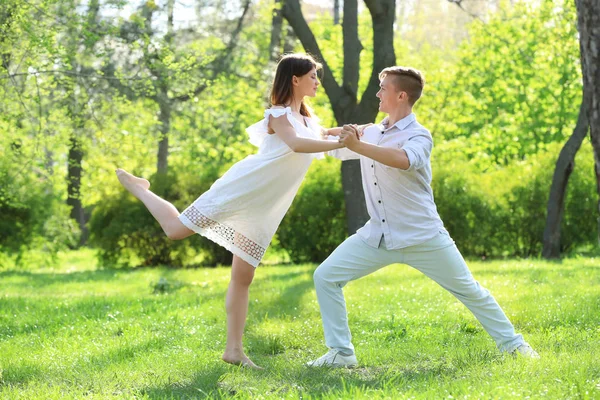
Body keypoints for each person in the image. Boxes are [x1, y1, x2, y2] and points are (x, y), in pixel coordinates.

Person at [116, 53, 354, 369]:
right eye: (312, 75)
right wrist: (338, 143)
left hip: (266, 206)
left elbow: (323, 135)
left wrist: (359, 131)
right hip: (244, 188)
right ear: (294, 79)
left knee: (243, 276)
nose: (316, 81)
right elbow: (297, 144)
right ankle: (139, 189)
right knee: (175, 230)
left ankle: (234, 351)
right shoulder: (279, 115)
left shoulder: (309, 121)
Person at [307, 66, 540, 368]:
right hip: (377, 236)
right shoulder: (372, 131)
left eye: (383, 88)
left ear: (401, 95)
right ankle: (341, 353)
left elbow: (403, 161)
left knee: (469, 290)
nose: (378, 94)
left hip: (423, 235)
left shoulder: (419, 135)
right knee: (326, 276)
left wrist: (358, 143)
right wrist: (294, 126)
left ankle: (514, 346)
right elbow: (328, 141)